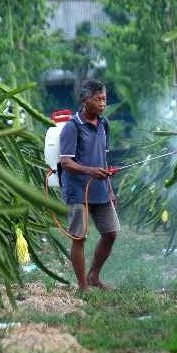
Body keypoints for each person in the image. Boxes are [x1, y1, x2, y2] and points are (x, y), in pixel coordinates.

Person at [59, 78, 119, 293]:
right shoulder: (72, 127)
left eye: (104, 99)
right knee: (79, 238)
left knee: (110, 234)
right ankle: (82, 286)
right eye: (97, 99)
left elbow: (103, 159)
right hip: (77, 191)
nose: (103, 104)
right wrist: (90, 171)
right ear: (84, 101)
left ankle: (93, 276)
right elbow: (66, 162)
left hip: (100, 189)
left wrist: (110, 190)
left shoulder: (104, 124)